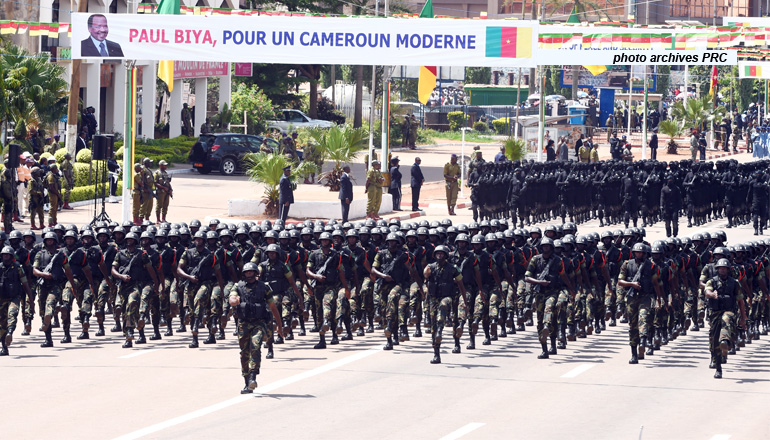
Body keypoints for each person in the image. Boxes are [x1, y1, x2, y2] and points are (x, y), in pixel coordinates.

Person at [229, 262, 283, 393]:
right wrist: (234, 301)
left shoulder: (264, 287)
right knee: (244, 353)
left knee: (256, 346)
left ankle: (253, 375)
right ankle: (247, 382)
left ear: (255, 273)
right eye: (246, 273)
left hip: (259, 323)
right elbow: (232, 298)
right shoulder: (238, 286)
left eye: (251, 272)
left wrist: (280, 326)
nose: (249, 275)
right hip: (243, 324)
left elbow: (273, 307)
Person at [703, 258, 747, 379]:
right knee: (714, 342)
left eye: (724, 268)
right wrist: (712, 294)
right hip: (715, 314)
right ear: (717, 269)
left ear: (728, 270)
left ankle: (725, 342)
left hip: (729, 312)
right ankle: (718, 368)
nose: (722, 270)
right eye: (720, 268)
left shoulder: (734, 283)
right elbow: (707, 291)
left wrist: (743, 318)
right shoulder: (711, 282)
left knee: (726, 319)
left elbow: (740, 301)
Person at [0, 245, 32, 355]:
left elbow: (25, 283)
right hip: (2, 298)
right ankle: (4, 347)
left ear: (12, 256)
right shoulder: (0, 268)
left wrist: (30, 300)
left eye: (8, 255)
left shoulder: (18, 268)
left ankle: (10, 332)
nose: (6, 257)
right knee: (1, 323)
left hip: (14, 297)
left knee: (12, 315)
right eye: (4, 255)